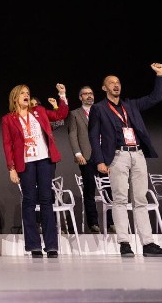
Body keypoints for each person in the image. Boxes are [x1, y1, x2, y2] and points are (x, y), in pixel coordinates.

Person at [88, 63, 162, 257]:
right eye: (111, 83)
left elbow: (155, 98)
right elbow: (93, 136)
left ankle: (148, 244)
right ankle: (124, 243)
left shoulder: (130, 105)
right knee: (119, 199)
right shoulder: (99, 109)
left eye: (118, 82)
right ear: (104, 88)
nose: (116, 85)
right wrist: (99, 160)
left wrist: (160, 76)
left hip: (137, 154)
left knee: (140, 199)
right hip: (117, 156)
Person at [2, 83, 68, 258]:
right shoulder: (8, 119)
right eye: (22, 93)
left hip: (45, 160)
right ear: (15, 97)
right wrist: (11, 168)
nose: (26, 95)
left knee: (47, 200)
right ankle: (34, 246)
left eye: (28, 93)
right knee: (29, 202)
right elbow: (7, 145)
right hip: (26, 163)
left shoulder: (38, 111)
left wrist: (62, 96)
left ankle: (52, 246)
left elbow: (61, 114)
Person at [67, 85, 107, 234]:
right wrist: (78, 154)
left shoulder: (102, 111)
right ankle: (94, 223)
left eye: (91, 93)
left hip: (104, 156)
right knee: (90, 190)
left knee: (110, 190)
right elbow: (72, 134)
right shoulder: (75, 114)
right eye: (85, 94)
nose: (89, 96)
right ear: (80, 97)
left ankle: (110, 223)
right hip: (87, 156)